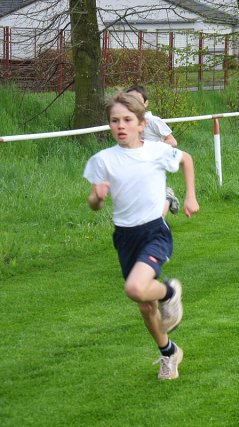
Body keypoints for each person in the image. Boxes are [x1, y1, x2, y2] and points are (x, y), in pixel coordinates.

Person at [83, 92, 199, 380]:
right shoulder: (103, 160)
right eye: (115, 121)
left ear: (141, 124)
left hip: (154, 232)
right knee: (146, 306)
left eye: (127, 120)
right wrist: (98, 197)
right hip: (125, 237)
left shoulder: (156, 151)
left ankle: (170, 292)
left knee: (135, 288)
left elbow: (186, 160)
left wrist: (190, 196)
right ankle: (169, 353)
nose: (121, 126)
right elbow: (94, 204)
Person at [126, 85, 180, 216]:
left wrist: (152, 148)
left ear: (146, 103)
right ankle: (167, 197)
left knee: (154, 210)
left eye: (137, 100)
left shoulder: (153, 121)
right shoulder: (127, 123)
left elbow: (172, 142)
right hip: (136, 167)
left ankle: (166, 199)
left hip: (154, 166)